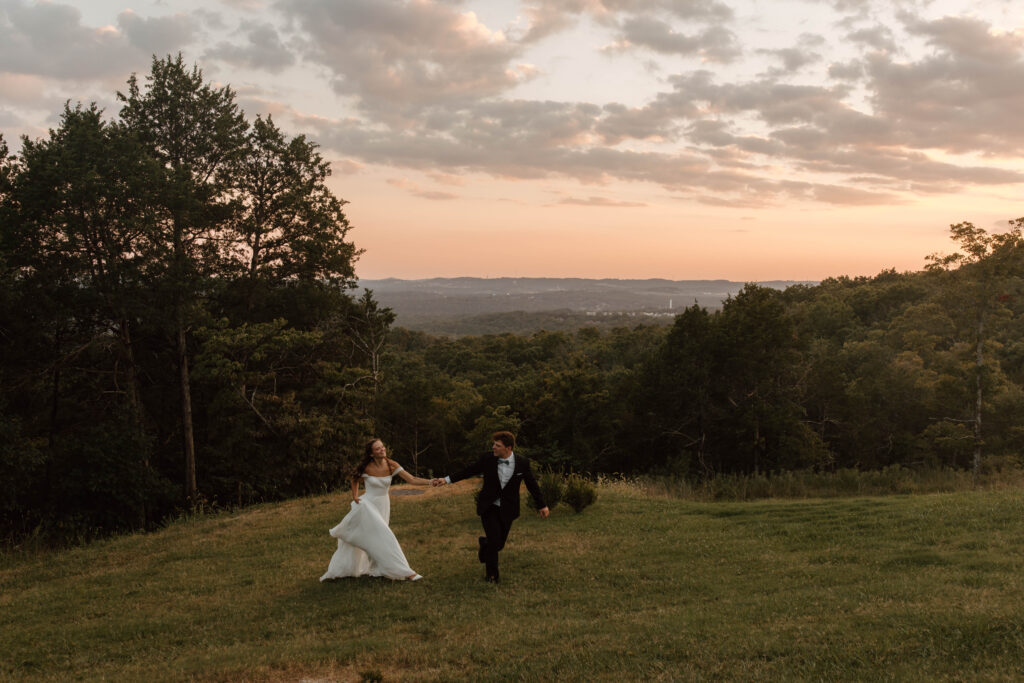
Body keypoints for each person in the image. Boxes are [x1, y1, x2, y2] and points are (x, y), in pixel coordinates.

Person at [432, 431, 548, 583]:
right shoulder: (487, 459)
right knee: (494, 540)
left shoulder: (522, 463)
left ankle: (484, 544)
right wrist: (446, 480)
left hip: (508, 508)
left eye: (497, 445)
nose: (493, 447)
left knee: (498, 544)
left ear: (508, 448)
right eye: (494, 444)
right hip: (489, 507)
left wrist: (542, 505)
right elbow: (469, 470)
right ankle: (492, 576)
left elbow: (532, 484)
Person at [320, 438, 432, 582]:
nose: (382, 450)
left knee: (375, 538)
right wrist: (355, 496)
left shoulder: (392, 465)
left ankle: (376, 570)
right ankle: (406, 572)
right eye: (378, 449)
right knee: (385, 537)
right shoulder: (366, 467)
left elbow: (411, 479)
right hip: (367, 505)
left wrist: (430, 482)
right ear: (372, 454)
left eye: (383, 447)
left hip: (383, 504)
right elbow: (354, 479)